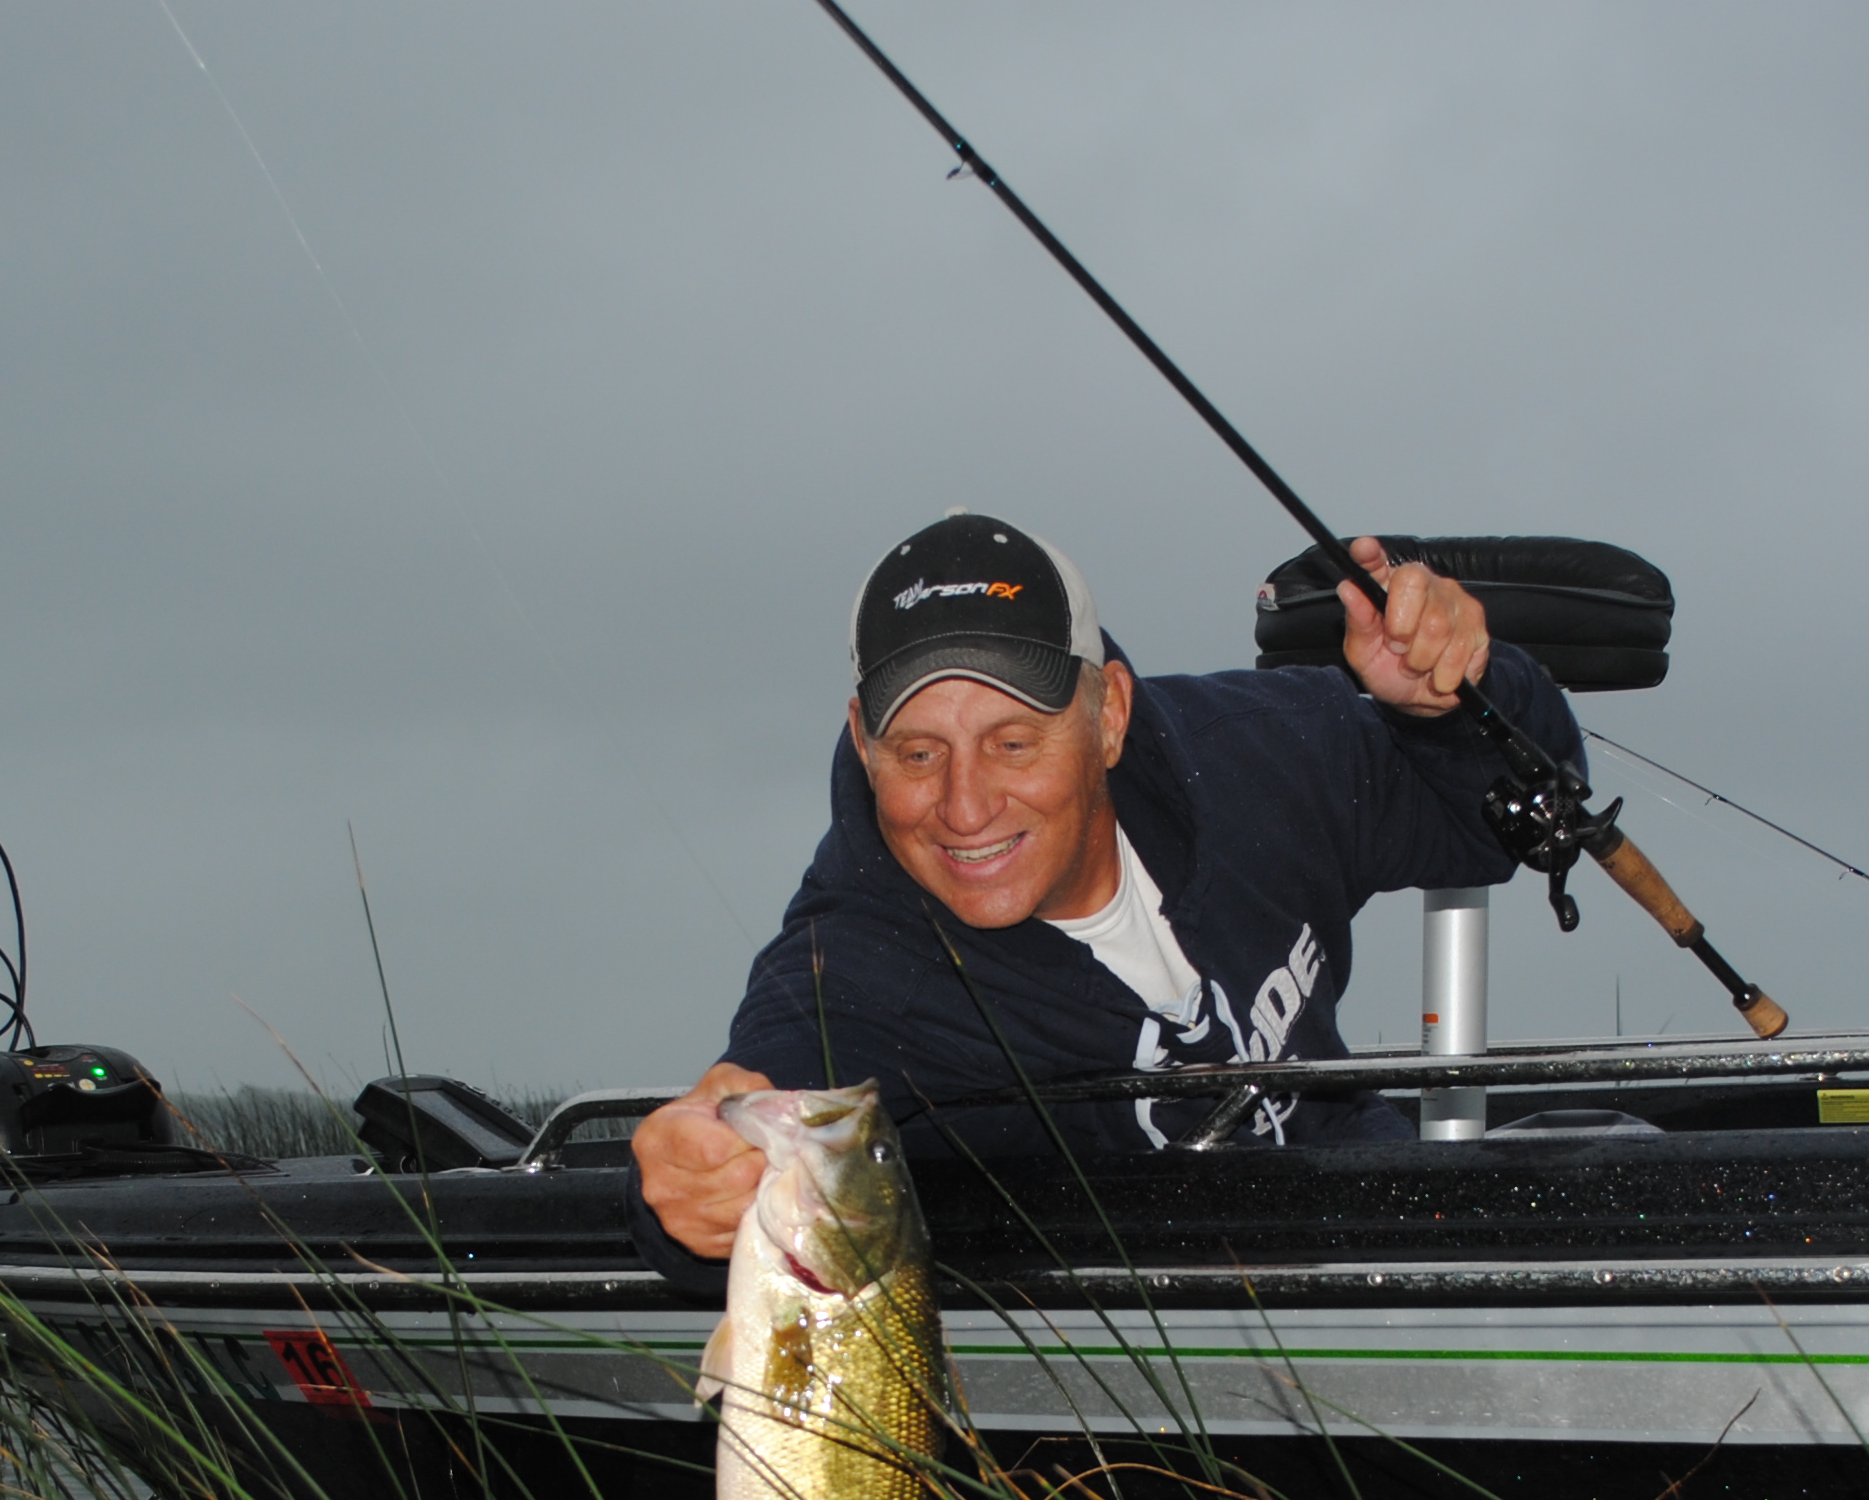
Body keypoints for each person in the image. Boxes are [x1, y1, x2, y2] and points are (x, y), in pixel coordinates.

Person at [630, 509, 1580, 1280]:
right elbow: (745, 1122)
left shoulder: (1265, 750)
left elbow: (1504, 819)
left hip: (1375, 1230)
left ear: (1110, 714)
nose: (966, 807)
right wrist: (691, 1185)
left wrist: (1462, 697)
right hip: (1148, 1385)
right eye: (918, 754)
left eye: (1013, 742)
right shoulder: (862, 964)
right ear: (862, 739)